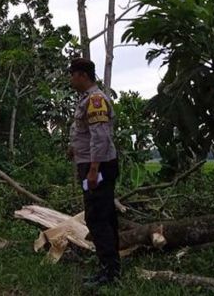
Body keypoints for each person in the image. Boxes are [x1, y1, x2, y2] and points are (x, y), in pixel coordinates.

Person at [68, 57, 120, 285]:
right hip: (93, 165)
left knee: (97, 216)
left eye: (72, 74)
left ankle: (109, 271)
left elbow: (100, 138)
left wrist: (93, 169)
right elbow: (90, 135)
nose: (71, 79)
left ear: (82, 75)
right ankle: (111, 267)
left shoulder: (95, 100)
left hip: (97, 168)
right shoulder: (87, 100)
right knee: (104, 214)